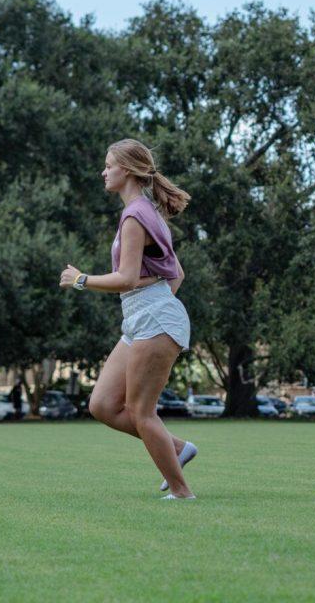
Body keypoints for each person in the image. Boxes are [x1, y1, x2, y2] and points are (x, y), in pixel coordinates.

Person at [59, 138, 198, 500]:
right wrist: (149, 301)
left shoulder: (136, 215)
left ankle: (182, 492)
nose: (103, 172)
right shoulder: (145, 212)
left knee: (140, 411)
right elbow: (176, 274)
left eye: (109, 165)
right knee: (103, 404)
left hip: (153, 319)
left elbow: (125, 278)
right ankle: (177, 449)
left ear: (127, 170)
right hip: (141, 317)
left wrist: (81, 281)